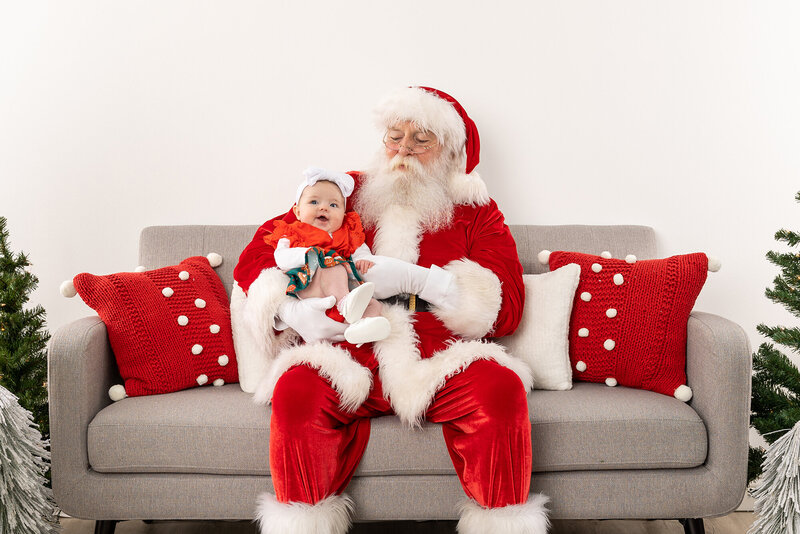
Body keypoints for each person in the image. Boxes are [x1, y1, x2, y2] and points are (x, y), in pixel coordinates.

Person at [231, 86, 550, 534]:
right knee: (296, 391)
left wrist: (425, 281)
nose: (403, 150)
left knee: (499, 388)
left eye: (421, 139)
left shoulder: (478, 212)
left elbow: (509, 306)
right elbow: (266, 247)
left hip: (436, 358)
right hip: (345, 351)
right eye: (394, 136)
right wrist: (287, 311)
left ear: (451, 151)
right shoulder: (344, 191)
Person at [264, 166, 390, 345]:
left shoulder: (345, 232)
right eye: (314, 202)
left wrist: (364, 259)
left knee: (375, 305)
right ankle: (345, 306)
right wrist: (307, 254)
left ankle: (357, 330)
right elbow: (281, 257)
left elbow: (358, 248)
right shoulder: (293, 232)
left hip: (343, 289)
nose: (324, 208)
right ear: (298, 212)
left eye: (333, 205)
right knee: (333, 265)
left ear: (343, 215)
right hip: (310, 283)